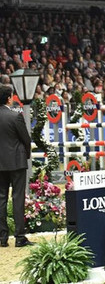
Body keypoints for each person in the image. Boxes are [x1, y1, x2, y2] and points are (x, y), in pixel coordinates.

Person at [0, 83, 33, 247]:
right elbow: (26, 139)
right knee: (18, 198)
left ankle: (2, 238)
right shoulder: (15, 116)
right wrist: (25, 155)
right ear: (8, 98)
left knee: (1, 199)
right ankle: (20, 237)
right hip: (17, 162)